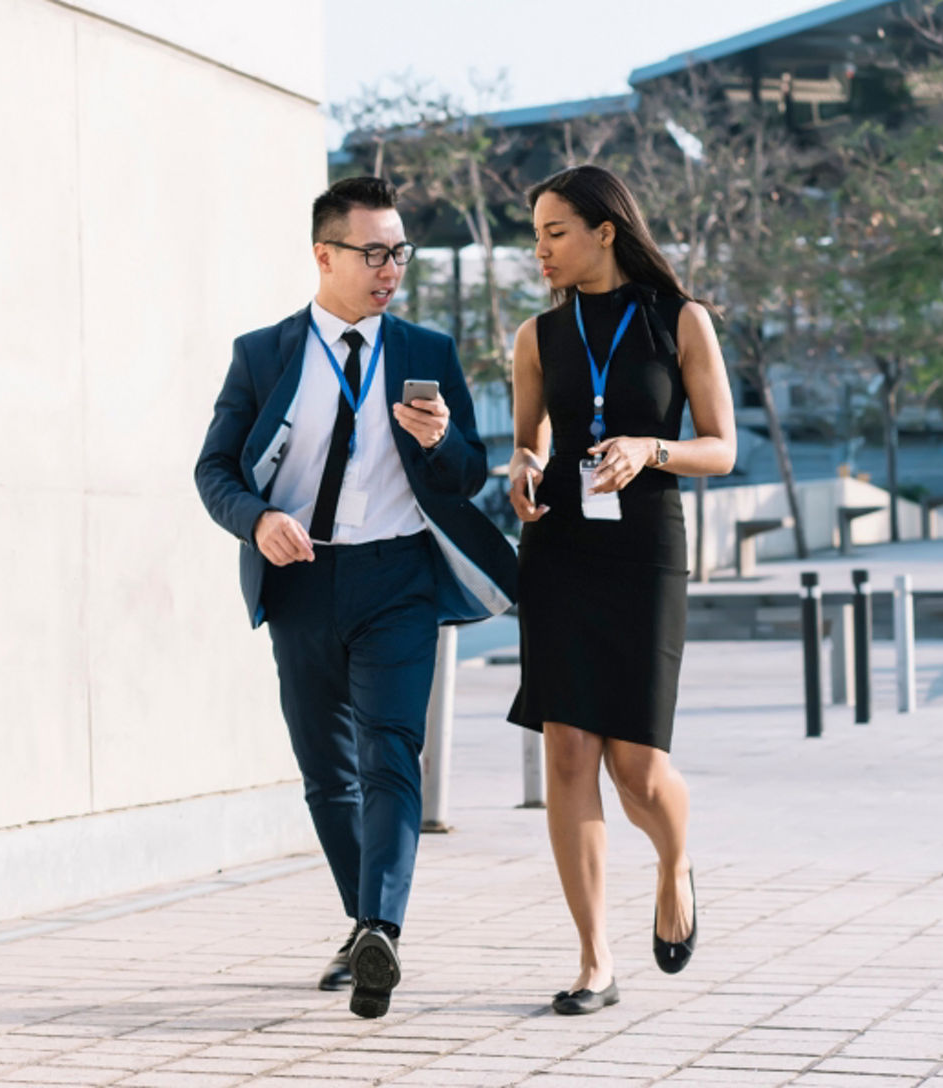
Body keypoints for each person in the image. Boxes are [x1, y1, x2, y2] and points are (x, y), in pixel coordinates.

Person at [194, 176, 520, 1020]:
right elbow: (214, 469)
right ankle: (362, 921)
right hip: (301, 577)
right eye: (374, 253)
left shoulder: (425, 350)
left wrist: (443, 439)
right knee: (326, 774)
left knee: (390, 754)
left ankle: (383, 926)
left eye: (400, 252)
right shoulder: (263, 354)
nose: (391, 269)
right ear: (325, 255)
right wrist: (257, 520)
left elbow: (467, 476)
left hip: (399, 579)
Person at [503, 165, 737, 1017]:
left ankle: (675, 867)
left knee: (637, 769)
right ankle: (593, 959)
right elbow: (530, 442)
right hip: (561, 546)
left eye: (555, 232)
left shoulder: (681, 320)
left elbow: (722, 447)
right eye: (534, 236)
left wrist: (650, 449)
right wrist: (523, 467)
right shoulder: (535, 337)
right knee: (567, 751)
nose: (541, 251)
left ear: (606, 230)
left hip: (644, 551)